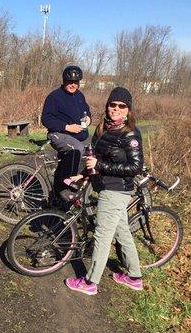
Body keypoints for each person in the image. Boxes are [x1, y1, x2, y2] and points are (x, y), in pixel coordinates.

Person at [65, 87, 144, 295]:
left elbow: (134, 168)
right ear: (107, 106)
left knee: (102, 235)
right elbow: (94, 159)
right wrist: (82, 174)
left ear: (128, 110)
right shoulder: (102, 129)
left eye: (122, 106)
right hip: (105, 186)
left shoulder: (131, 134)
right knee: (122, 232)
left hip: (116, 190)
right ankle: (135, 277)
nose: (116, 109)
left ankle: (90, 283)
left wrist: (100, 166)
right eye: (113, 105)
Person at [41, 65, 91, 201]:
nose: (73, 85)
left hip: (79, 136)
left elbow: (86, 111)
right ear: (64, 81)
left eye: (76, 82)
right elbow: (46, 118)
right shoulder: (54, 96)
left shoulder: (80, 96)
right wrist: (67, 127)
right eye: (70, 82)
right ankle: (65, 186)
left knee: (92, 153)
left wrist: (88, 119)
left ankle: (69, 191)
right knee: (77, 149)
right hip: (59, 134)